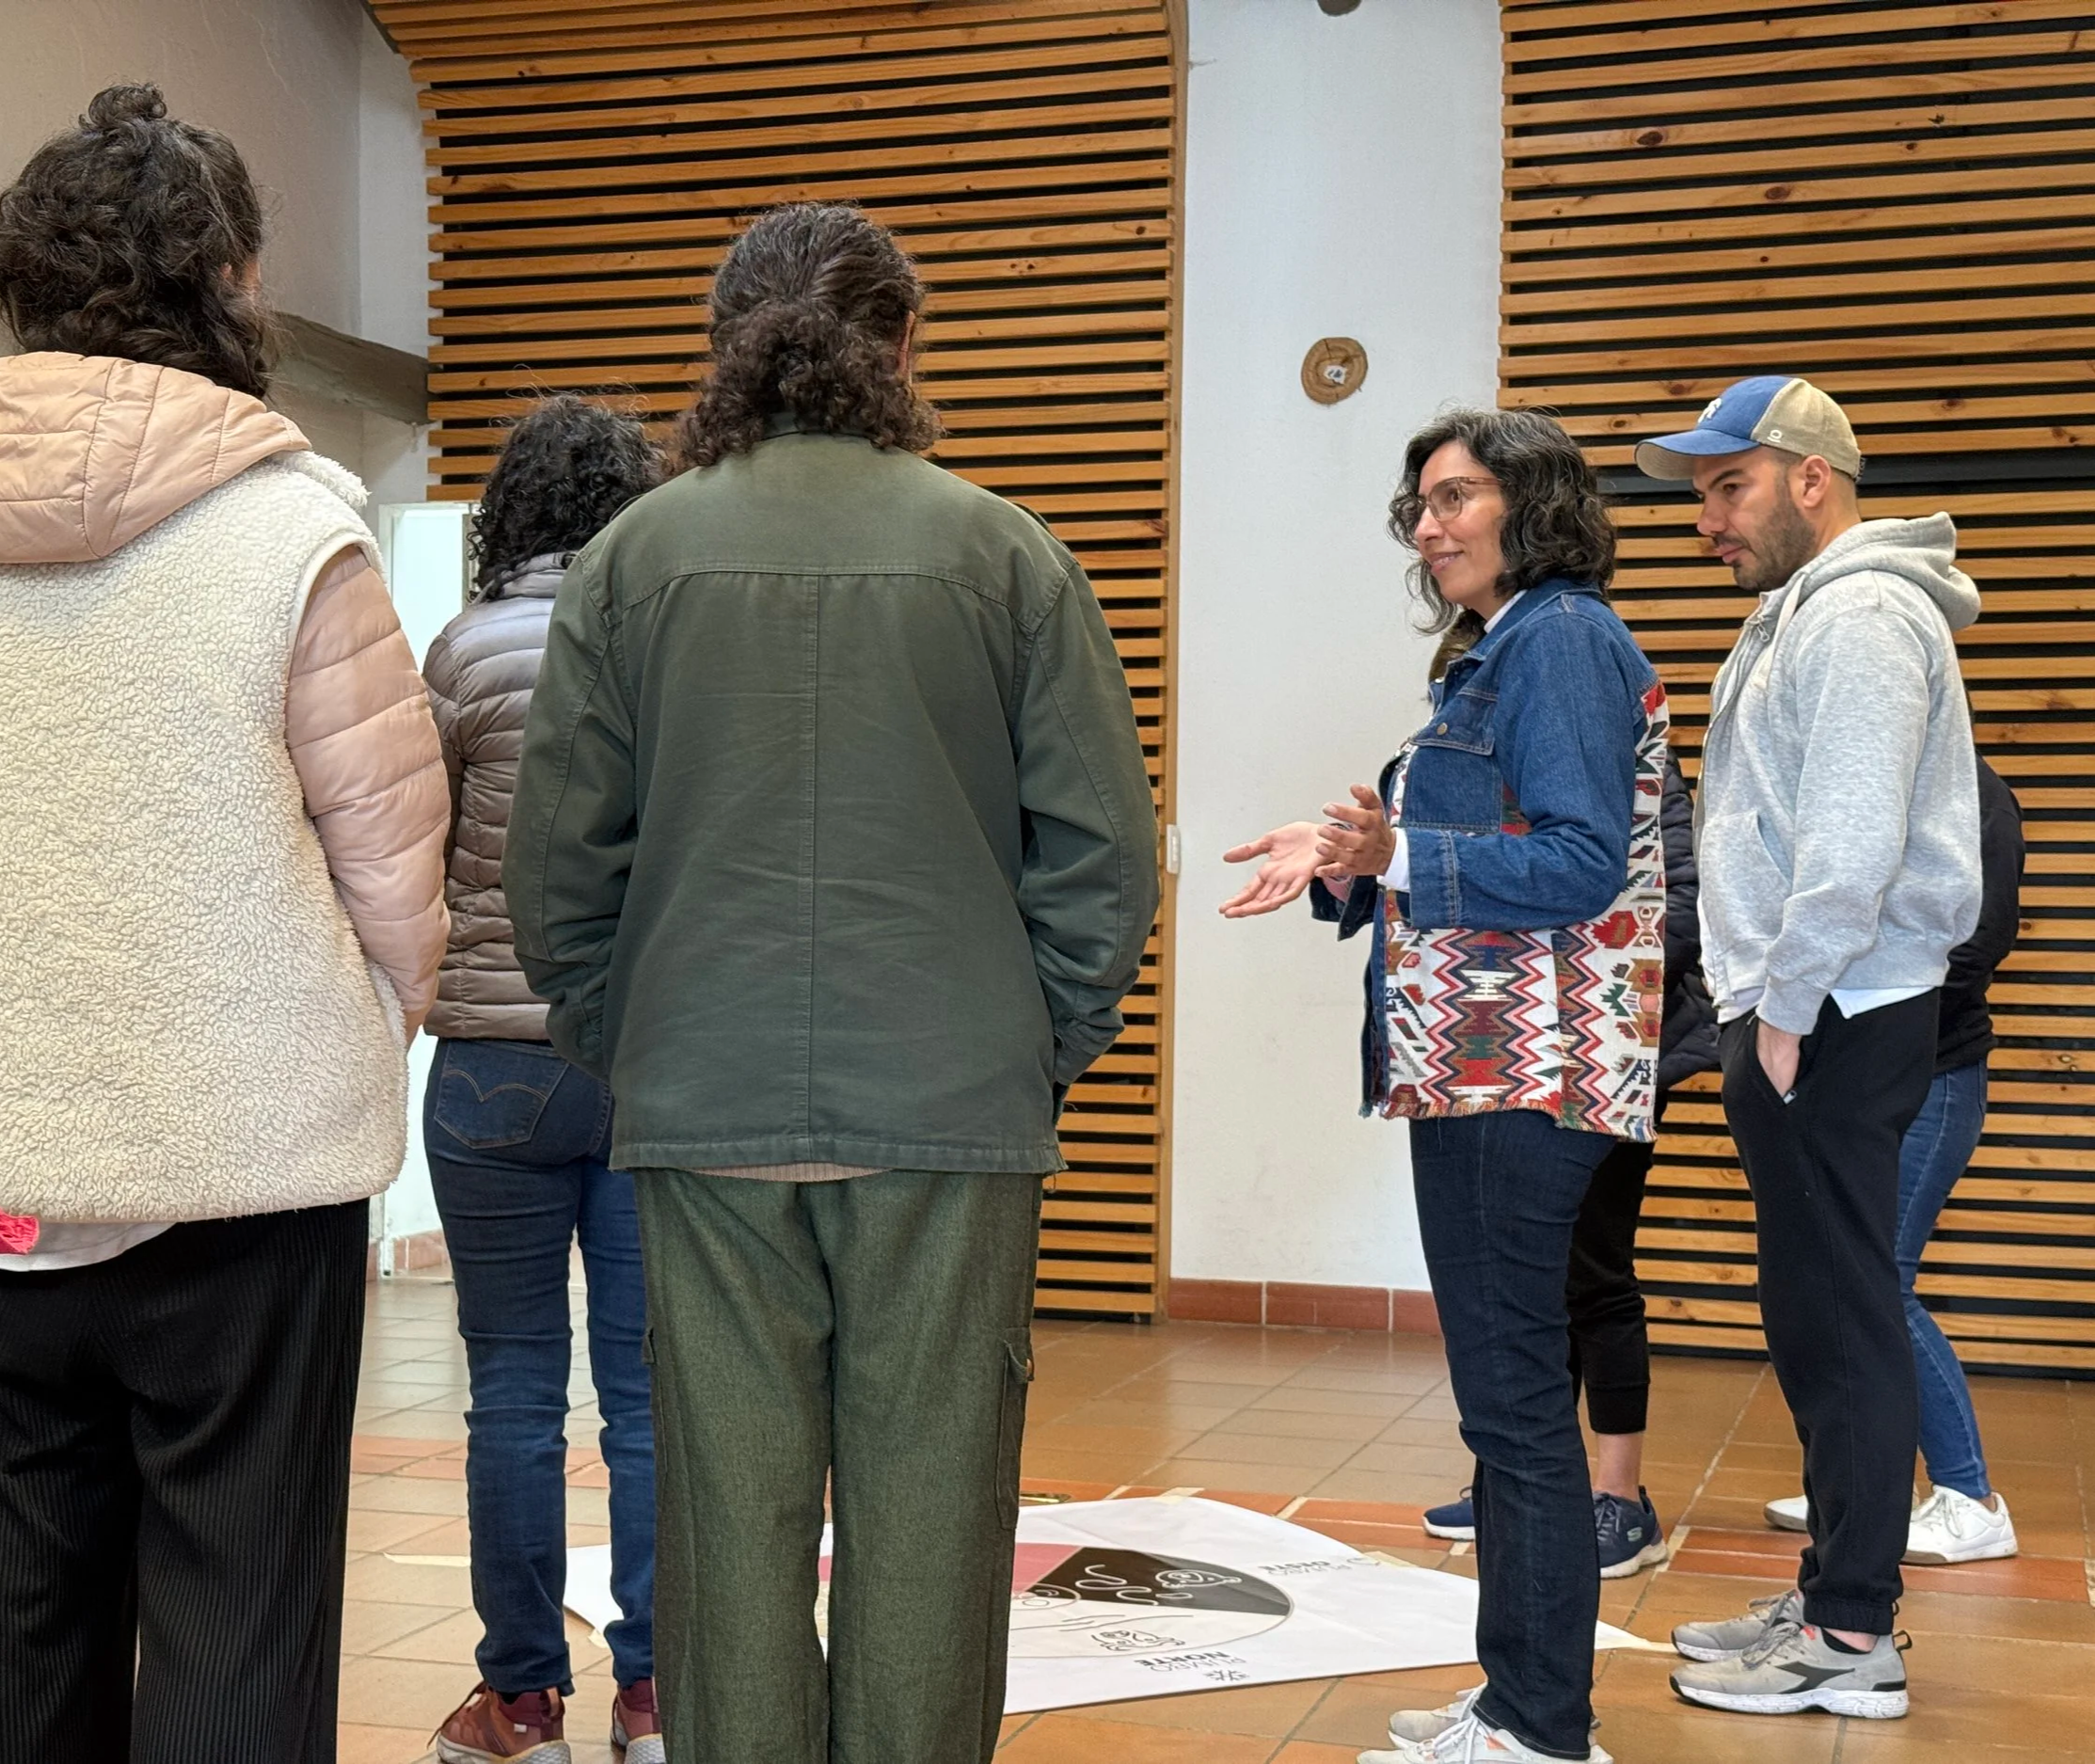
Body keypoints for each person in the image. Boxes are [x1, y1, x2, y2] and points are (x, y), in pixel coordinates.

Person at [504, 203, 1157, 1764]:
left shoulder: (628, 558)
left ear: (723, 351)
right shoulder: (1005, 549)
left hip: (703, 1100)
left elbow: (551, 877)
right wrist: (1033, 1043)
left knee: (727, 1514)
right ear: (904, 349)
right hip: (950, 1107)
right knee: (931, 1502)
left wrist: (630, 1039)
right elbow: (1102, 859)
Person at [0, 85, 448, 1764]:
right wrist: (341, 1027)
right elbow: (400, 885)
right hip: (243, 1168)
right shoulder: (292, 534)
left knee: (22, 1626)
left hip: (10, 1169)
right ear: (237, 283)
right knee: (239, 1622)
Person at [1222, 407, 1666, 1764]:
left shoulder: (1564, 638)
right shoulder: (1502, 646)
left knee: (1513, 1404)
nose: (1427, 523)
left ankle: (1538, 1725)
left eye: (1455, 494)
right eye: (1417, 502)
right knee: (1505, 1402)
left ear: (1530, 503)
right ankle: (1511, 1696)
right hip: (1477, 1068)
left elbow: (1584, 861)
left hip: (1522, 1073)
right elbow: (1484, 843)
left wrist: (1399, 847)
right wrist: (1359, 858)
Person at [1647, 377, 1982, 1721]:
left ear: (1807, 480)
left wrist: (1778, 1006)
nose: (1704, 522)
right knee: (1813, 1311)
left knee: (1839, 1316)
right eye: (1697, 495)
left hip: (1831, 1008)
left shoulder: (1854, 616)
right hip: (1809, 1005)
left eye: (1725, 488)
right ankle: (1836, 1585)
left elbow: (1845, 847)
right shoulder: (1799, 618)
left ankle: (1851, 1635)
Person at [422, 397, 666, 1764]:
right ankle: (653, 1691)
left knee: (511, 1388)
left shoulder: (461, 650)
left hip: (489, 1062)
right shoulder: (660, 636)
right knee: (643, 1392)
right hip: (640, 1059)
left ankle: (520, 1701)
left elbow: (415, 842)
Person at [1421, 745, 1716, 1581]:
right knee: (1521, 1281)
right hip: (1516, 1052)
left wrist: (1562, 946)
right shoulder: (1509, 771)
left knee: (1593, 1271)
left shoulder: (1626, 766)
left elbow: (1684, 912)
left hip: (1618, 1052)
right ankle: (1517, 1488)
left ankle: (1620, 1499)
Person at [1763, 751, 2024, 1564]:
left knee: (1878, 1282)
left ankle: (1969, 1495)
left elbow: (1979, 939)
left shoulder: (1971, 791)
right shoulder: (1856, 783)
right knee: (1842, 1281)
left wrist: (1851, 1002)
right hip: (1851, 1076)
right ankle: (1855, 1489)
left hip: (1932, 1073)